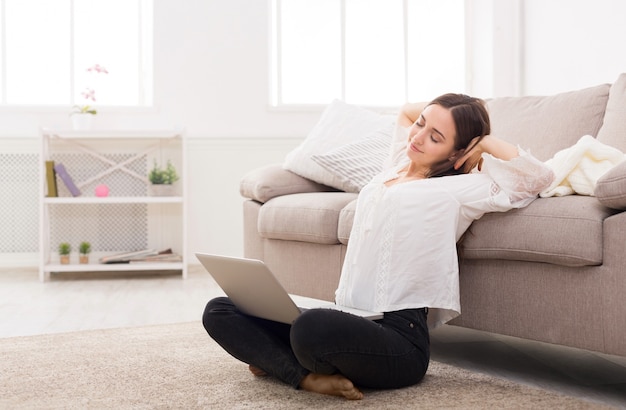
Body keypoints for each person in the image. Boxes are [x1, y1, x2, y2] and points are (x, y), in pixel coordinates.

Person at [202, 93, 554, 400]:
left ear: (457, 151)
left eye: (435, 137)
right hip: (352, 318)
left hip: (400, 341)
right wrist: (447, 109)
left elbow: (538, 179)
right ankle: (306, 377)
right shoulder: (395, 167)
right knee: (220, 309)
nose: (417, 137)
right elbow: (404, 112)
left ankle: (278, 361)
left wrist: (486, 141)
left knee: (311, 328)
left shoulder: (462, 190)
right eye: (421, 125)